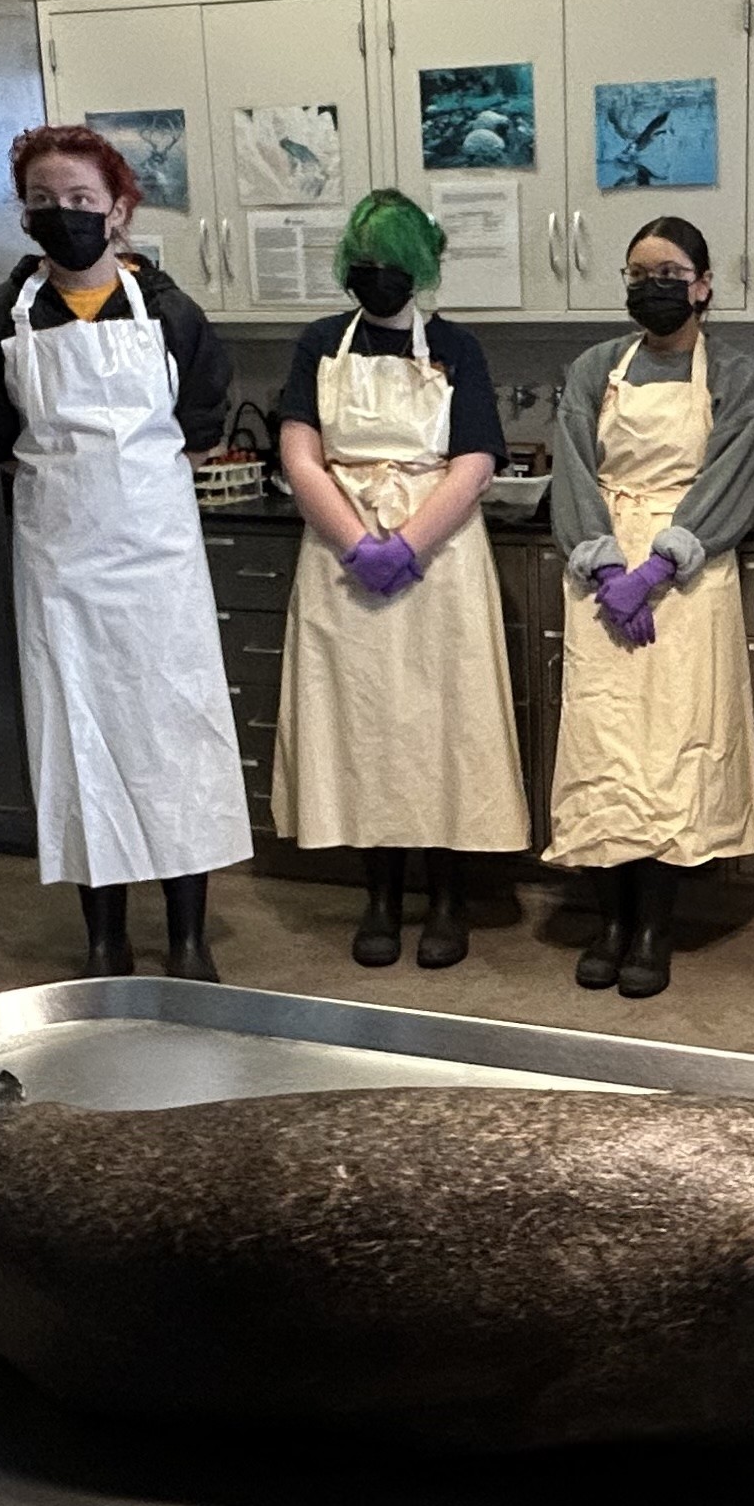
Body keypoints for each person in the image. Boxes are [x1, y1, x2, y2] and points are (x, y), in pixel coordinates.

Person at [0, 125, 249, 980]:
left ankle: (188, 938)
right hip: (59, 566)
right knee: (77, 741)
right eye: (44, 202)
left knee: (176, 740)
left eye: (82, 201)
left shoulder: (171, 313)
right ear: (25, 215)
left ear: (120, 210)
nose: (64, 216)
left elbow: (198, 428)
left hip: (157, 561)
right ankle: (104, 936)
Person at [273, 189, 527, 964]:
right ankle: (379, 898)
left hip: (440, 560)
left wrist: (410, 544)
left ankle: (447, 902)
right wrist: (356, 544)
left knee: (443, 730)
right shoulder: (319, 343)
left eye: (393, 264)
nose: (378, 276)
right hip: (341, 559)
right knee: (361, 734)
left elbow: (477, 458)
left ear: (421, 268)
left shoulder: (458, 346)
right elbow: (298, 452)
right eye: (365, 264)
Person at [545, 217, 754, 997]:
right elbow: (572, 468)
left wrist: (661, 566)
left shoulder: (733, 376)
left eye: (670, 273)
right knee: (605, 751)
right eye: (639, 274)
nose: (654, 287)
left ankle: (653, 929)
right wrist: (608, 567)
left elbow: (732, 476)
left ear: (704, 285)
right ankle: (609, 921)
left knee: (675, 751)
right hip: (602, 570)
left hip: (688, 576)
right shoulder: (594, 368)